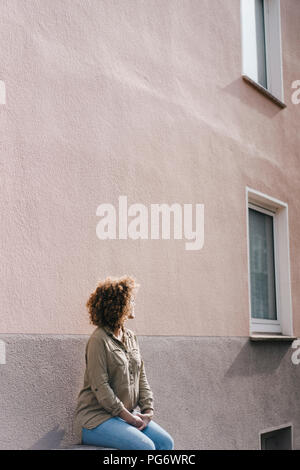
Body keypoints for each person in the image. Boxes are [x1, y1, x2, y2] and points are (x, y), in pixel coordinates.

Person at [74, 275, 174, 450]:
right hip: (97, 419)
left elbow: (141, 376)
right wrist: (130, 418)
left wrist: (147, 412)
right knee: (145, 447)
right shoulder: (99, 340)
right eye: (131, 300)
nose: (134, 304)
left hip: (124, 416)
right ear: (119, 305)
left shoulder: (131, 337)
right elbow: (101, 388)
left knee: (165, 443)